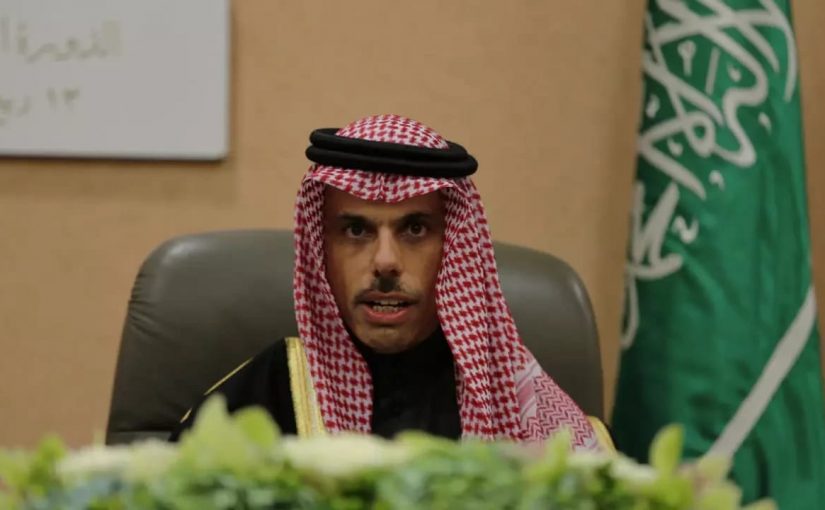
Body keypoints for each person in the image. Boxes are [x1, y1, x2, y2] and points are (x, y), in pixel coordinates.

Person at [171, 114, 607, 450]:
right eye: (356, 230)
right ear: (321, 251)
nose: (385, 262)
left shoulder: (518, 405)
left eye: (414, 229)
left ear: (453, 247)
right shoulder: (260, 399)